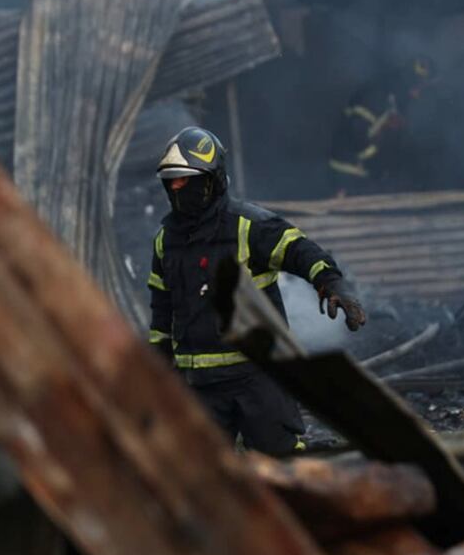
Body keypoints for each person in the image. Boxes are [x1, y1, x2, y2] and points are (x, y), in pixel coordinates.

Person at [149, 126, 366, 456]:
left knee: (282, 464)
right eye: (172, 181)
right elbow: (162, 308)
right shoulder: (167, 240)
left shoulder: (247, 225)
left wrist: (330, 283)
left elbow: (299, 251)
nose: (177, 187)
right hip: (199, 386)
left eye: (186, 179)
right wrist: (159, 362)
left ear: (213, 179)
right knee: (208, 478)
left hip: (259, 378)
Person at [328, 55, 436, 196]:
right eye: (417, 87)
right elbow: (358, 138)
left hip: (367, 177)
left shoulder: (396, 101)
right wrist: (385, 137)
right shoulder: (374, 100)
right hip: (348, 176)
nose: (417, 94)